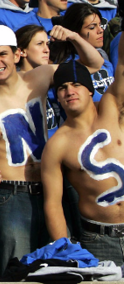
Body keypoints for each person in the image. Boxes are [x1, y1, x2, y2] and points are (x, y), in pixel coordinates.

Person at [0, 23, 104, 278]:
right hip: (9, 195)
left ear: (17, 54)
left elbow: (93, 64)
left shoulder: (41, 77)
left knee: (62, 266)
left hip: (51, 189)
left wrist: (72, 36)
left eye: (2, 54)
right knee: (17, 271)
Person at [42, 35, 124, 264]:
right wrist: (65, 249)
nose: (69, 91)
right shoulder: (57, 144)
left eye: (76, 84)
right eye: (62, 88)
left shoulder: (111, 109)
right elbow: (53, 203)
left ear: (89, 89)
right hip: (98, 239)